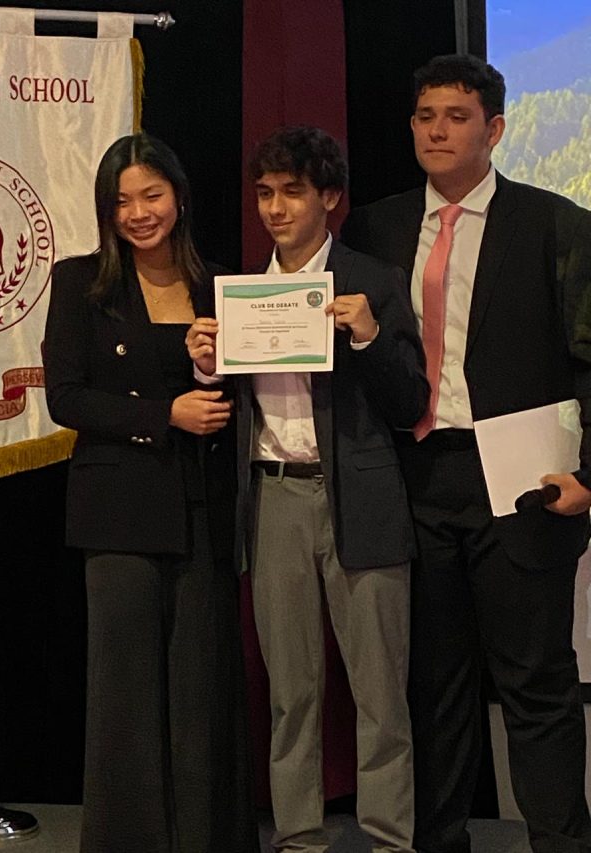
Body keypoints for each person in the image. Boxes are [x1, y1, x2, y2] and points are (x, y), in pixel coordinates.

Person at [342, 53, 591, 853]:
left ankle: (560, 843)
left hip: (525, 480)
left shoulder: (556, 224)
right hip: (415, 475)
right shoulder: (375, 228)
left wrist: (588, 475)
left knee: (536, 684)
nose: (437, 131)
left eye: (456, 116)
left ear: (496, 129)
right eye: (425, 116)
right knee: (434, 687)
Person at [187, 125, 429, 853]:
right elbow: (227, 411)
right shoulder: (241, 293)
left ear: (329, 197)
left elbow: (410, 402)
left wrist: (368, 337)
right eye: (265, 193)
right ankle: (297, 839)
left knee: (380, 692)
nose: (275, 208)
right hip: (274, 498)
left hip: (362, 500)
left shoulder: (371, 279)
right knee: (291, 692)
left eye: (291, 192)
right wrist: (206, 365)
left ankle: (390, 840)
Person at [43, 132, 259, 853]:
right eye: (122, 201)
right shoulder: (80, 283)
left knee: (202, 692)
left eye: (151, 195)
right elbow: (67, 398)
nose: (138, 213)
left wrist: (207, 375)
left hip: (202, 511)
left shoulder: (219, 286)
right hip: (118, 515)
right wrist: (164, 414)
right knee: (126, 695)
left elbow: (234, 399)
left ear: (180, 197)